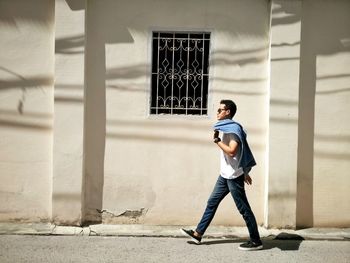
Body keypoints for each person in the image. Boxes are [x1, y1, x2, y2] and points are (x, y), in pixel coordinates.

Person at [181, 99, 263, 251]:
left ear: (228, 112)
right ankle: (198, 233)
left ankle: (256, 240)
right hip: (225, 175)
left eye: (220, 110)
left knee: (244, 209)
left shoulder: (232, 129)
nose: (217, 112)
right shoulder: (228, 128)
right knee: (212, 202)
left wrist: (217, 141)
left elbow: (233, 151)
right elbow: (239, 154)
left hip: (233, 177)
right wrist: (246, 171)